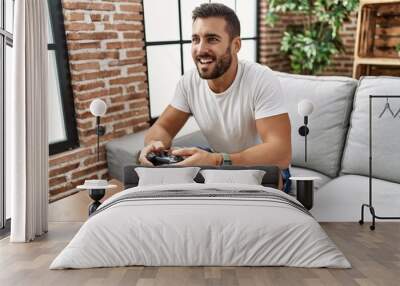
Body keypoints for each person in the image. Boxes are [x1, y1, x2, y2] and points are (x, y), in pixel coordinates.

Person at [139, 3, 292, 192]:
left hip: (264, 168)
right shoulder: (189, 82)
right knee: (176, 162)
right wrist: (155, 145)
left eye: (211, 39)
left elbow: (281, 152)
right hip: (220, 162)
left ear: (235, 45)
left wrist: (218, 160)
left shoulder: (261, 79)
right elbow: (162, 128)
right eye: (196, 39)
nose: (200, 49)